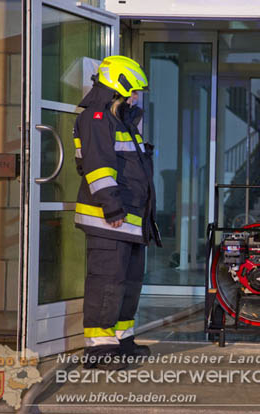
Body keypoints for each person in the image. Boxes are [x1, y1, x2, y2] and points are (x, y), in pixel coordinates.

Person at [72, 55, 161, 370]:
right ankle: (99, 349)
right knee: (107, 283)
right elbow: (97, 168)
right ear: (117, 86)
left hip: (130, 219)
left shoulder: (119, 118)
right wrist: (111, 206)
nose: (135, 97)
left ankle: (122, 341)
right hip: (109, 217)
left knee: (129, 282)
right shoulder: (97, 118)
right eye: (132, 91)